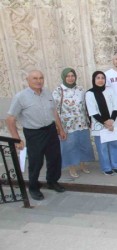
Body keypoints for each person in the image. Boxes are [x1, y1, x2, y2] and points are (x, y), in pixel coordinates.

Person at [6, 70, 66, 200]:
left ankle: (52, 181)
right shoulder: (20, 97)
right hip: (34, 133)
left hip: (50, 130)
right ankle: (33, 187)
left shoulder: (47, 93)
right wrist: (17, 139)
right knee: (36, 161)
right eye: (35, 78)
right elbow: (10, 119)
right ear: (28, 80)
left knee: (54, 158)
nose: (38, 81)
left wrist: (60, 129)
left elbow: (54, 112)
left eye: (41, 78)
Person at [52, 68, 94, 178]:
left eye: (72, 76)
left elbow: (86, 106)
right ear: (64, 77)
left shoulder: (80, 89)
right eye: (68, 76)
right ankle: (72, 168)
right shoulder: (58, 90)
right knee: (69, 147)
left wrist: (89, 120)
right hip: (67, 125)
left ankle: (82, 165)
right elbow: (54, 110)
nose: (70, 78)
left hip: (82, 123)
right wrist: (59, 127)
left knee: (83, 144)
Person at [85, 71, 117, 176]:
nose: (101, 80)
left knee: (115, 145)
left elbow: (116, 105)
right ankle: (106, 167)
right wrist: (105, 123)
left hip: (113, 122)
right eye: (98, 78)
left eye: (102, 78)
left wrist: (111, 120)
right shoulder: (89, 93)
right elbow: (92, 111)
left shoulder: (110, 90)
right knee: (102, 148)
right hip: (100, 124)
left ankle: (116, 165)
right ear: (94, 79)